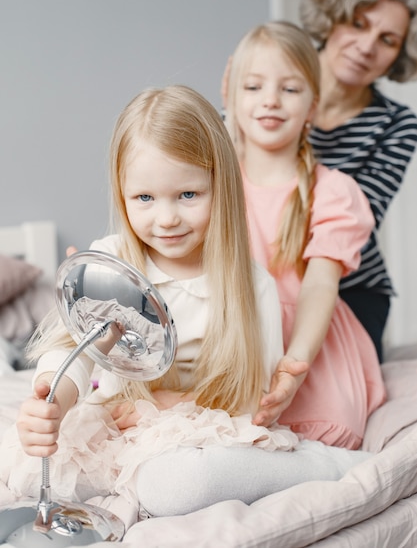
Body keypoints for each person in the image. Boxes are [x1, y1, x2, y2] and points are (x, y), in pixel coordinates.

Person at [1, 85, 371, 519]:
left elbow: (252, 402)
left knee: (175, 486)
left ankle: (322, 464)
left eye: (188, 195)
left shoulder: (251, 285)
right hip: (121, 426)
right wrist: (53, 405)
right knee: (25, 469)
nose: (167, 218)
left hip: (203, 432)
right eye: (144, 198)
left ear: (222, 187)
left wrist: (172, 406)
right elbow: (76, 352)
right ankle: (139, 483)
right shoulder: (112, 263)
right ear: (122, 194)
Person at [225, 21, 386, 450]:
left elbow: (319, 284)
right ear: (230, 94)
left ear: (313, 106)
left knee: (325, 432)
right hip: (238, 333)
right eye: (254, 87)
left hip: (308, 341)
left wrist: (293, 366)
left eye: (290, 89)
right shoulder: (212, 184)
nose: (271, 101)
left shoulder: (333, 191)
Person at [298, 0, 417, 362]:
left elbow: (354, 219)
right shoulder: (268, 86)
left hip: (352, 287)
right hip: (261, 277)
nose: (367, 46)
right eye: (357, 23)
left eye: (387, 39)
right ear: (331, 19)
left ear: (399, 55)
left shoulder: (398, 124)